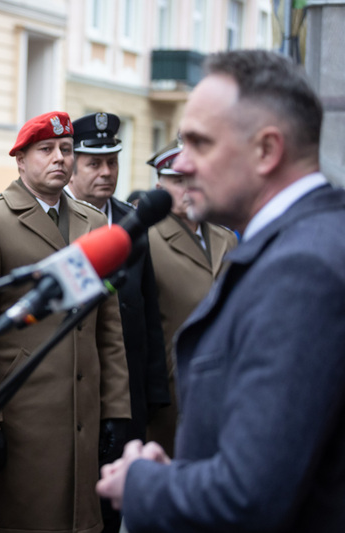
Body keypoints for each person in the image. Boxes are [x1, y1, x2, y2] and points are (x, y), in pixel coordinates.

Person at [96, 49, 345, 532]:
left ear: (267, 151)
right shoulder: (301, 241)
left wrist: (143, 484)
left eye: (200, 143)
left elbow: (250, 497)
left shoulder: (300, 269)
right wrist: (184, 474)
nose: (182, 165)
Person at [0, 111, 130, 533]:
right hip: (24, 410)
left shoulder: (92, 222)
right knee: (29, 518)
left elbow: (108, 328)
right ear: (20, 160)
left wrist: (116, 409)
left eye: (65, 149)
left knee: (82, 519)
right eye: (45, 150)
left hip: (82, 408)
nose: (59, 158)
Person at [66, 112, 170, 533]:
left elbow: (148, 313)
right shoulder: (61, 221)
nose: (106, 172)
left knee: (116, 509)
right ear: (71, 163)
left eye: (112, 161)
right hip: (76, 386)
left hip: (128, 391)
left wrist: (153, 391)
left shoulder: (134, 223)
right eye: (94, 163)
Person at [144, 137, 238, 457]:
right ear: (159, 185)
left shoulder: (225, 237)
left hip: (227, 384)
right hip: (172, 390)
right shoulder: (147, 240)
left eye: (192, 178)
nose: (186, 188)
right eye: (176, 181)